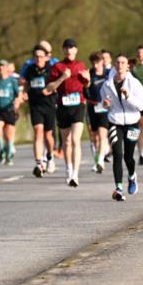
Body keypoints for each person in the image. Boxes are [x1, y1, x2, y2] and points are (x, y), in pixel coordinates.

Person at [101, 55, 143, 201]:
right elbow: (104, 103)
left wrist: (128, 96)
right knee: (117, 154)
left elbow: (141, 106)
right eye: (118, 63)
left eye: (123, 63)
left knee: (128, 156)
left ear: (128, 66)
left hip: (133, 123)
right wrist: (106, 104)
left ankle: (132, 176)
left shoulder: (135, 84)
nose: (120, 65)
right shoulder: (107, 85)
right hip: (115, 121)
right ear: (114, 65)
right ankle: (119, 187)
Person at [46, 39, 90, 187]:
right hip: (63, 106)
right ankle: (68, 168)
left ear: (76, 50)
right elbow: (50, 88)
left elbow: (86, 85)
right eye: (66, 48)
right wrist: (62, 77)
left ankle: (75, 174)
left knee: (76, 140)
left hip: (78, 105)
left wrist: (88, 80)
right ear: (63, 50)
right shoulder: (57, 67)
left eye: (72, 48)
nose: (69, 51)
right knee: (66, 141)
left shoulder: (81, 65)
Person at [21, 46, 58, 178]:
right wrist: (24, 93)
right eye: (36, 57)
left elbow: (57, 83)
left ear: (46, 57)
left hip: (49, 105)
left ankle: (50, 155)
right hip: (35, 104)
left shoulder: (51, 69)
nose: (38, 59)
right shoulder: (30, 69)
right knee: (38, 132)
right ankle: (39, 164)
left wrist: (52, 89)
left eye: (41, 56)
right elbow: (25, 83)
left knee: (48, 135)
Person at [0, 59, 21, 166]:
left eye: (3, 66)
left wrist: (17, 104)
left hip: (9, 110)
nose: (1, 68)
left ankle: (9, 155)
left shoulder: (12, 81)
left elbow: (18, 95)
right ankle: (2, 150)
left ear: (7, 68)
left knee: (9, 135)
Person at [85, 51, 110, 174]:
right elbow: (84, 91)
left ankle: (100, 161)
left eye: (98, 62)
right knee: (94, 138)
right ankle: (97, 160)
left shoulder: (108, 74)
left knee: (102, 135)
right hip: (92, 107)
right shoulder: (89, 74)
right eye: (93, 62)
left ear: (102, 62)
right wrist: (86, 85)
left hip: (104, 107)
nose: (95, 65)